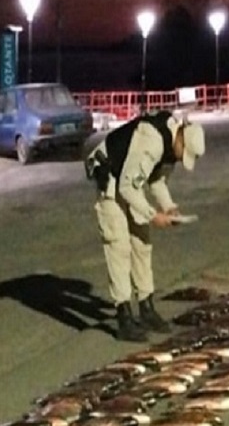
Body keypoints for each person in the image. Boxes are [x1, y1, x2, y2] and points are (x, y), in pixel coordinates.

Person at [85, 111, 206, 342]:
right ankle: (123, 316)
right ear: (181, 139)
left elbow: (156, 180)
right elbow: (126, 188)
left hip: (129, 180)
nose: (181, 159)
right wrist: (153, 215)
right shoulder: (152, 140)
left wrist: (169, 206)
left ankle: (146, 307)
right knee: (119, 245)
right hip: (110, 175)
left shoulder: (170, 145)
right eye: (184, 154)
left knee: (142, 242)